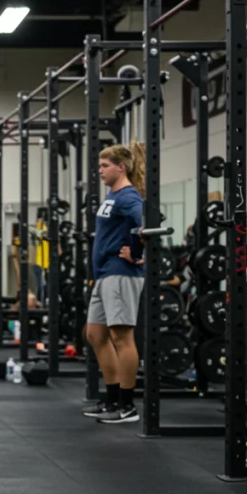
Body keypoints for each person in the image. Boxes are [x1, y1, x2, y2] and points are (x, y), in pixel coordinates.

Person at [83, 141, 146, 424]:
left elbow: (142, 222)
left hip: (121, 273)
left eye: (104, 166)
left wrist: (137, 252)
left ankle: (127, 405)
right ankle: (110, 399)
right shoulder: (112, 195)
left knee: (122, 337)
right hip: (105, 274)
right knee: (95, 335)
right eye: (99, 166)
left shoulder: (129, 196)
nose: (100, 171)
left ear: (121, 167)